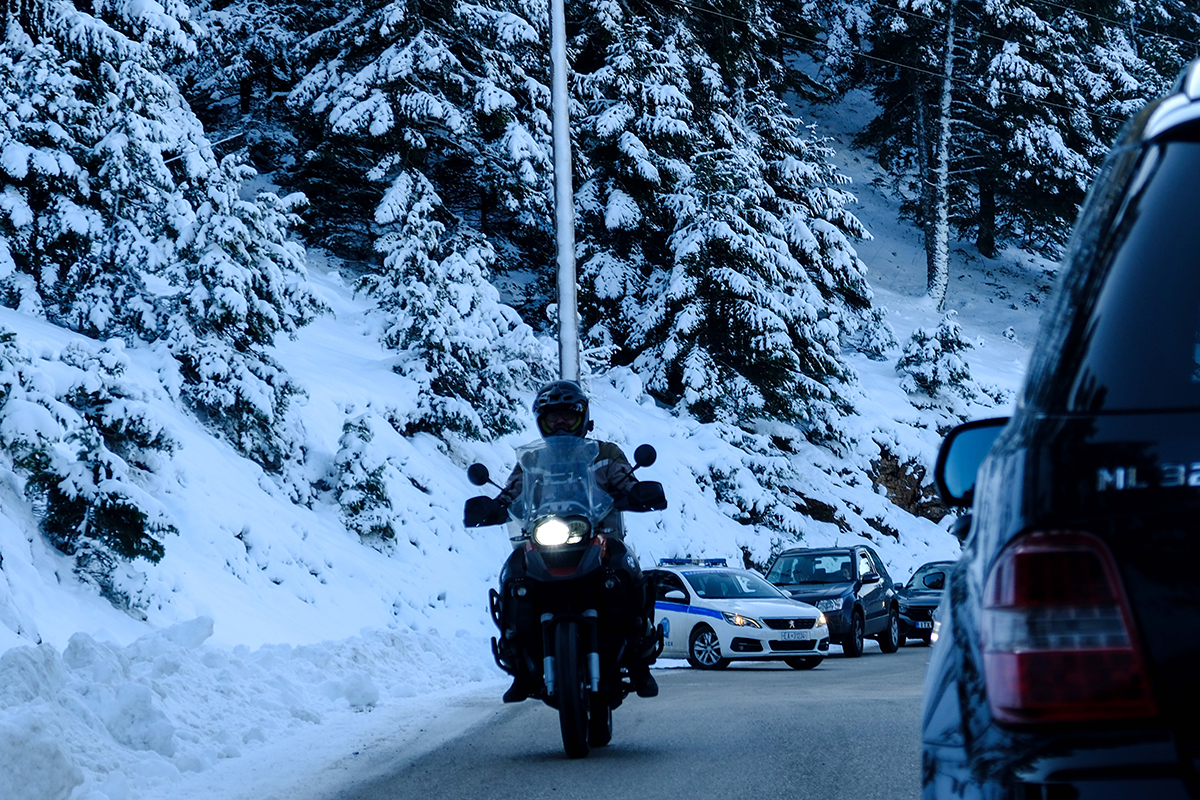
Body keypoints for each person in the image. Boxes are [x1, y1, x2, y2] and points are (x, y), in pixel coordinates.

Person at [493, 380, 661, 703]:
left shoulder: (604, 453)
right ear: (541, 422)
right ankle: (519, 666)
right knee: (513, 576)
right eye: (552, 417)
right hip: (544, 542)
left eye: (566, 416)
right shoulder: (531, 462)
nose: (559, 423)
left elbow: (626, 480)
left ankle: (639, 661)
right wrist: (494, 506)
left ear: (581, 417)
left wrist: (637, 493)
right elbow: (511, 492)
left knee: (626, 569)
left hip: (598, 538)